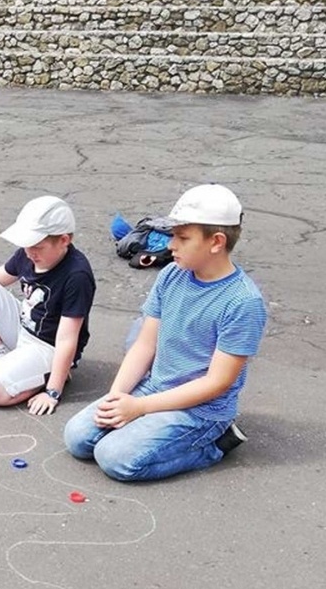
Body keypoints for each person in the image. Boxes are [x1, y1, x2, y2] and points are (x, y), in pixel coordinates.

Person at [63, 183, 267, 482]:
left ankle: (215, 446)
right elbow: (145, 346)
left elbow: (217, 382)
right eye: (173, 235)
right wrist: (118, 396)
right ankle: (146, 422)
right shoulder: (172, 274)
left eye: (183, 238)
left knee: (115, 459)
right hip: (154, 387)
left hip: (201, 410)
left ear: (216, 242)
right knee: (78, 438)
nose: (171, 245)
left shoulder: (243, 302)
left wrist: (140, 407)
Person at [0, 195, 96, 414]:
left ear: (64, 240)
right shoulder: (29, 252)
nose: (29, 253)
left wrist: (52, 392)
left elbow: (66, 339)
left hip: (48, 346)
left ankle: (54, 375)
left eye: (37, 246)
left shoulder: (77, 275)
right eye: (26, 245)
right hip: (24, 325)